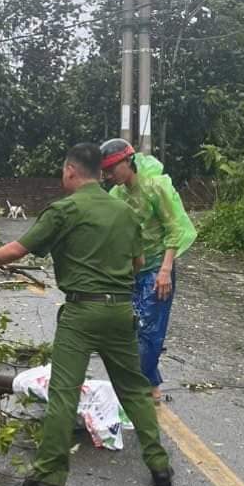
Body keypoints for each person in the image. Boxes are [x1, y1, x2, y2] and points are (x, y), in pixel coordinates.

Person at [0, 142, 173, 486]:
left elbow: (17, 249)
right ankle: (159, 465)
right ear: (100, 172)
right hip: (119, 311)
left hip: (81, 314)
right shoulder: (125, 213)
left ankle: (49, 480)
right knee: (133, 389)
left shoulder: (64, 211)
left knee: (64, 394)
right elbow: (138, 263)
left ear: (70, 171)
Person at [100, 140, 197, 405]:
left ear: (127, 162)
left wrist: (165, 270)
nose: (108, 176)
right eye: (104, 171)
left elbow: (174, 228)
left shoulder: (155, 187)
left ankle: (130, 391)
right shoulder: (117, 196)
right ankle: (152, 388)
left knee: (150, 331)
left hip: (158, 268)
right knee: (132, 328)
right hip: (133, 271)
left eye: (111, 169)